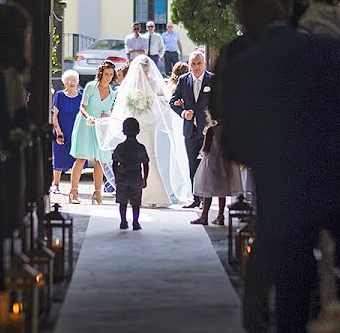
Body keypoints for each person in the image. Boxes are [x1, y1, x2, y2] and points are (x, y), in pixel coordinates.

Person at [221, 0, 340, 333]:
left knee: (291, 293)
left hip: (285, 190)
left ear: (247, 26)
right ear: (284, 14)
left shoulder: (243, 66)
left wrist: (273, 153)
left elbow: (234, 144)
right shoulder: (333, 53)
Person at [96, 55, 193, 207]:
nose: (145, 71)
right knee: (132, 159)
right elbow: (124, 103)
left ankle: (155, 194)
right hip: (135, 124)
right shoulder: (131, 83)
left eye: (146, 69)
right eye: (143, 68)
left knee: (150, 157)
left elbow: (163, 100)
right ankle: (134, 193)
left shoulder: (153, 81)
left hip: (149, 124)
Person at [170, 51, 215, 209]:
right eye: (193, 64)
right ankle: (196, 199)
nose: (196, 67)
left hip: (208, 130)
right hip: (190, 130)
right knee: (192, 165)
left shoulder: (212, 79)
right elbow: (173, 101)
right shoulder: (183, 80)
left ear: (204, 64)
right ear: (189, 64)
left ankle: (205, 200)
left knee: (207, 165)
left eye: (199, 63)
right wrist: (183, 112)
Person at [69, 61, 116, 204]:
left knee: (99, 160)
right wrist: (88, 117)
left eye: (111, 74)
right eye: (106, 74)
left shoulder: (112, 93)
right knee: (81, 158)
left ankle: (97, 193)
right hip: (85, 124)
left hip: (100, 128)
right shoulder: (90, 87)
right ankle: (73, 192)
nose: (108, 77)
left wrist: (106, 116)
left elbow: (108, 111)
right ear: (101, 73)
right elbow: (82, 107)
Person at [190, 113, 241, 225]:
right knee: (221, 189)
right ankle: (220, 216)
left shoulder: (211, 130)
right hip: (225, 161)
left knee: (208, 188)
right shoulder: (229, 130)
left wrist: (201, 154)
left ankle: (204, 216)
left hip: (212, 161)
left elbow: (206, 148)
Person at [112, 117, 150, 230]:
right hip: (136, 177)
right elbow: (146, 164)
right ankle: (135, 222)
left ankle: (123, 221)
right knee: (136, 202)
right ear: (138, 131)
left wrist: (116, 176)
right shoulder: (141, 147)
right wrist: (145, 178)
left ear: (123, 131)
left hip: (122, 177)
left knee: (122, 202)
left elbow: (114, 163)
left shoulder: (120, 147)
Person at [51, 70, 83, 195]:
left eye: (74, 80)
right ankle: (56, 184)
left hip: (76, 132)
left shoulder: (81, 96)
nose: (71, 83)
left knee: (77, 159)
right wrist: (58, 132)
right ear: (64, 83)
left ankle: (74, 188)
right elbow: (55, 116)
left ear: (78, 82)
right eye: (68, 80)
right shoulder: (59, 95)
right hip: (62, 130)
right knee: (59, 157)